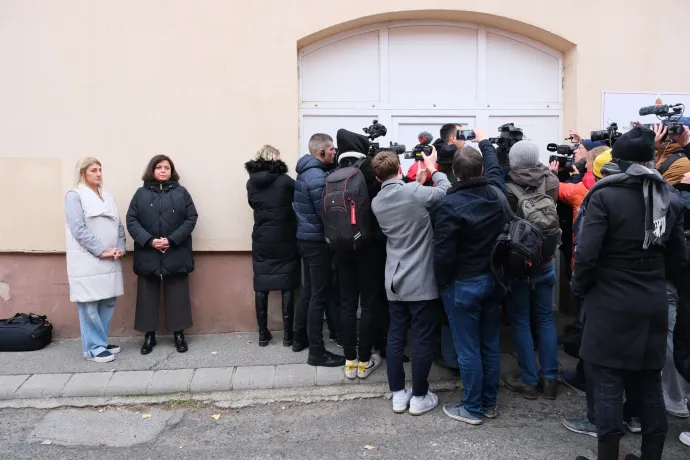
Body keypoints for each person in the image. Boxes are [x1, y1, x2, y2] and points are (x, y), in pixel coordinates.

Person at [570, 126, 688, 460]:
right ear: (651, 159)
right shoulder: (669, 197)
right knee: (649, 384)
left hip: (609, 302)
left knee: (607, 384)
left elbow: (587, 256)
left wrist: (581, 291)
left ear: (618, 161)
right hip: (652, 301)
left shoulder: (605, 196)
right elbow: (679, 259)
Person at [433, 128, 510, 424]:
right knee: (489, 344)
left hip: (463, 283)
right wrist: (485, 143)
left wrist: (442, 282)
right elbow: (495, 170)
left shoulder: (448, 205)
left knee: (468, 349)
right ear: (480, 170)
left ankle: (473, 408)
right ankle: (489, 403)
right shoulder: (496, 194)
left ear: (454, 172)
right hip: (493, 279)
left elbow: (443, 253)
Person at [371, 146, 450, 416]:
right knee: (422, 339)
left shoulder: (377, 201)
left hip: (394, 279)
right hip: (422, 280)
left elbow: (404, 199)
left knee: (395, 336)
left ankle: (397, 395)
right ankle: (418, 397)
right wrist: (434, 169)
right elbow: (444, 192)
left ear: (378, 178)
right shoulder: (414, 192)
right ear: (401, 169)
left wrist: (415, 185)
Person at [501, 141, 561, 400]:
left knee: (522, 321)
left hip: (520, 265)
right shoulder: (553, 182)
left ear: (512, 161)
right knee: (546, 320)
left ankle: (528, 378)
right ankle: (550, 379)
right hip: (547, 260)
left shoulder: (506, 189)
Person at [127, 155, 198, 354]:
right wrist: (150, 241)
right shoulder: (140, 194)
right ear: (152, 170)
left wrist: (171, 239)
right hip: (148, 252)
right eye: (159, 167)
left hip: (176, 251)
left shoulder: (181, 193)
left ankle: (179, 334)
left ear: (172, 171)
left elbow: (191, 218)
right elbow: (131, 220)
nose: (163, 170)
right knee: (147, 294)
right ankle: (149, 335)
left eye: (167, 167)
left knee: (178, 294)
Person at [333, 129, 386, 379]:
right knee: (369, 304)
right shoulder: (368, 170)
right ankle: (365, 361)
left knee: (346, 304)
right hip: (369, 248)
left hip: (341, 248)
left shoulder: (333, 173)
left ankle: (349, 361)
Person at [64, 158, 126, 363]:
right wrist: (101, 251)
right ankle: (92, 348)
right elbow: (78, 229)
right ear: (83, 173)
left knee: (107, 302)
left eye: (100, 169)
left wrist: (120, 248)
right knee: (89, 305)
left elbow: (119, 226)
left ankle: (101, 341)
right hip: (88, 259)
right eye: (93, 170)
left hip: (110, 258)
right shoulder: (74, 196)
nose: (99, 173)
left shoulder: (107, 196)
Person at [293, 133, 345, 367]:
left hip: (306, 239)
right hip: (316, 242)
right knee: (318, 296)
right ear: (320, 152)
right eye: (332, 149)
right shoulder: (316, 177)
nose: (335, 152)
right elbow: (326, 212)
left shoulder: (307, 172)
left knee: (310, 291)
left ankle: (300, 338)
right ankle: (317, 352)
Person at [245, 145, 300, 347]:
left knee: (261, 285)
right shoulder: (285, 181)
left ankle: (262, 335)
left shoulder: (251, 183)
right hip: (285, 236)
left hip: (261, 238)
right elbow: (299, 198)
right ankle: (288, 336)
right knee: (287, 286)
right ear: (275, 158)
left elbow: (253, 204)